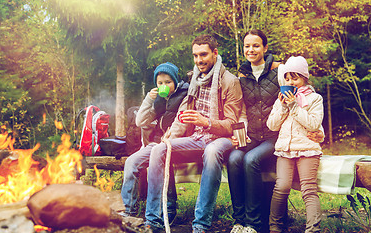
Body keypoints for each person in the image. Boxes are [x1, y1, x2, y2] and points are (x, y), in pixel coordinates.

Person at [144, 34, 243, 233]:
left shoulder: (230, 82)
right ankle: (153, 221)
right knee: (159, 150)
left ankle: (201, 225)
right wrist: (171, 135)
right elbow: (183, 116)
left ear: (215, 53)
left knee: (212, 151)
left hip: (221, 139)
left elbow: (232, 124)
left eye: (203, 55)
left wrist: (205, 122)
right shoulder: (194, 80)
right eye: (195, 56)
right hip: (196, 138)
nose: (199, 60)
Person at [227, 30, 324, 233]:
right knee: (235, 157)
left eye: (255, 45)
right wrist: (239, 134)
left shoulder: (279, 72)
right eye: (247, 45)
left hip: (275, 139)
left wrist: (319, 132)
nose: (251, 49)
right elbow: (242, 110)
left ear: (265, 47)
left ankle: (253, 223)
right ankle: (240, 220)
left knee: (251, 160)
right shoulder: (241, 76)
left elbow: (311, 111)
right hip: (255, 136)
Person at [121, 62, 189, 223]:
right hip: (157, 143)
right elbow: (140, 121)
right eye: (160, 83)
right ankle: (129, 210)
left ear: (175, 81)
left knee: (160, 160)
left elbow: (181, 123)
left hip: (178, 143)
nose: (164, 85)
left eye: (168, 82)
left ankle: (164, 211)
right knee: (131, 162)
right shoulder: (158, 99)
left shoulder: (185, 94)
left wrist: (166, 141)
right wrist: (148, 99)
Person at [267, 56, 323, 233]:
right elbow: (272, 125)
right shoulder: (280, 100)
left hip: (307, 150)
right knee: (281, 186)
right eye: (287, 78)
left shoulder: (314, 99)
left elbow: (314, 124)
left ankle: (313, 229)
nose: (291, 82)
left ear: (304, 78)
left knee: (308, 190)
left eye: (295, 78)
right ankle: (274, 227)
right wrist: (284, 107)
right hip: (285, 150)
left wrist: (294, 107)